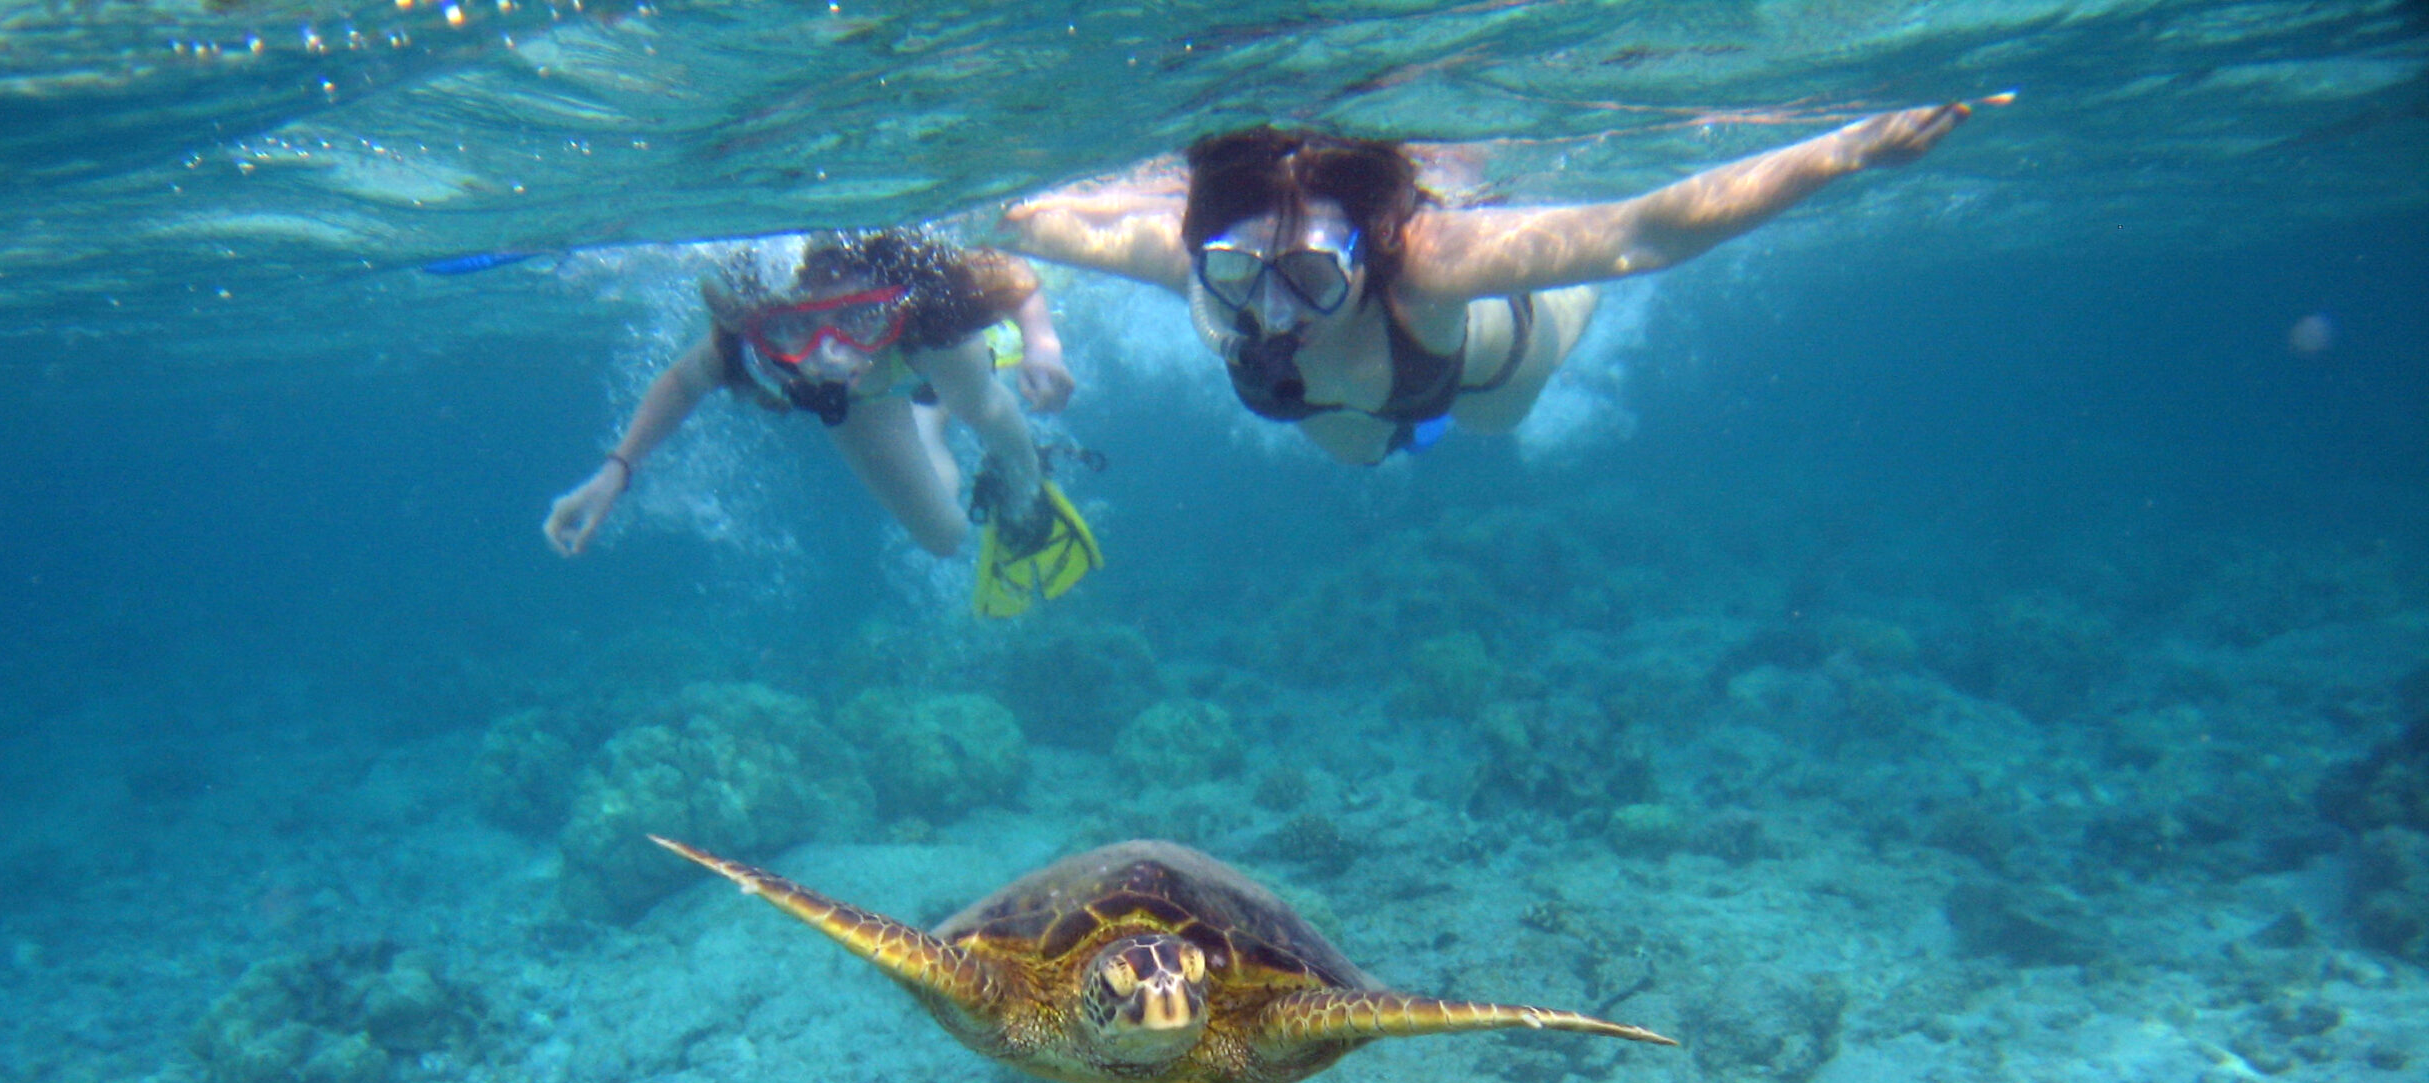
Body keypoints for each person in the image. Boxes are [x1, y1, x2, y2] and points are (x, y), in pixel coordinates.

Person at [1001, 103, 1984, 466]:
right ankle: (1386, 436)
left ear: (1361, 255)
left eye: (1308, 276)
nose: (1268, 308)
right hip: (1349, 409)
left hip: (1483, 366)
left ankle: (1573, 319)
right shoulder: (1187, 265)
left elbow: (1642, 233)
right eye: (1233, 272)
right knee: (1351, 455)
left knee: (1495, 416)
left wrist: (1843, 153)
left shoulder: (1426, 261)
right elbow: (1036, 219)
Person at [544, 228, 1101, 614]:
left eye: (858, 316)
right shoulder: (746, 347)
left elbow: (1011, 274)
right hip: (861, 402)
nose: (830, 356)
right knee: (944, 537)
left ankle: (1013, 471)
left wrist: (1042, 346)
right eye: (794, 328)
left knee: (982, 406)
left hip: (918, 354)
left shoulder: (931, 309)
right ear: (760, 325)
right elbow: (685, 381)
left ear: (891, 303)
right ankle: (928, 417)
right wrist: (614, 472)